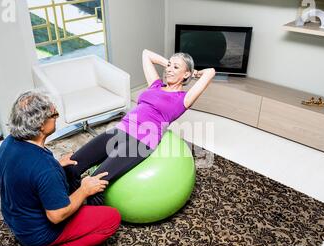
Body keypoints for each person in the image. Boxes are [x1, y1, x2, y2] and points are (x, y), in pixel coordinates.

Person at [64, 49, 216, 205]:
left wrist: (194, 73)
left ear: (186, 74)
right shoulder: (155, 85)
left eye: (176, 67)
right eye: (169, 65)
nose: (169, 69)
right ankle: (65, 205)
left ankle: (89, 220)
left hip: (141, 141)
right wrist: (170, 64)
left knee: (95, 183)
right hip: (120, 130)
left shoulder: (183, 99)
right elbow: (146, 54)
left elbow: (210, 72)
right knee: (72, 166)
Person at [0, 91, 121, 246]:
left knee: (66, 177)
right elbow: (57, 216)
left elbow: (27, 174)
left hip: (15, 220)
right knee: (111, 218)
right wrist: (85, 189)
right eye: (54, 114)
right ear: (41, 125)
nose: (57, 117)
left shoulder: (8, 143)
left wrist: (56, 165)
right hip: (37, 233)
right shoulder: (45, 168)